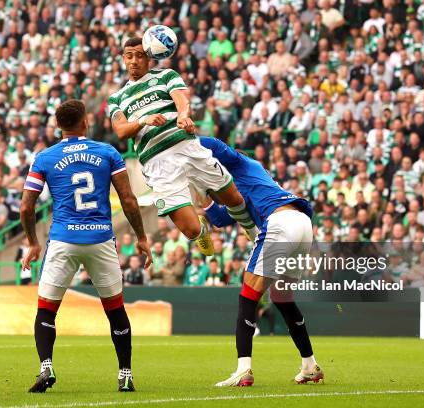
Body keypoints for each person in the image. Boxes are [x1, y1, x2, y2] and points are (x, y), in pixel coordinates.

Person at [20, 100, 152, 393]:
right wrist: (141, 237)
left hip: (63, 239)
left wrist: (32, 242)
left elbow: (27, 208)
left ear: (59, 126)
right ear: (85, 122)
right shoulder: (107, 152)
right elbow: (128, 200)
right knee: (115, 310)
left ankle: (46, 367)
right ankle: (125, 373)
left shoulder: (44, 157)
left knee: (46, 310)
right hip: (101, 239)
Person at [108, 37, 257, 257]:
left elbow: (181, 99)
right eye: (129, 56)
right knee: (189, 229)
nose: (134, 61)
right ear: (122, 58)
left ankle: (255, 234)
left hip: (186, 146)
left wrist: (183, 115)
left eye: (140, 55)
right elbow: (120, 130)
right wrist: (143, 120)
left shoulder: (166, 75)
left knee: (233, 198)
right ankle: (200, 231)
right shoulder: (117, 98)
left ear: (149, 57)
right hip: (157, 164)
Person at [198, 137, 322, 387]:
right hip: (301, 224)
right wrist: (201, 192)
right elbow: (222, 218)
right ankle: (310, 365)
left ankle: (244, 370)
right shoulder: (242, 188)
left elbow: (215, 145)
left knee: (247, 296)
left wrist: (182, 144)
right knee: (282, 299)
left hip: (281, 224)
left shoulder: (242, 163)